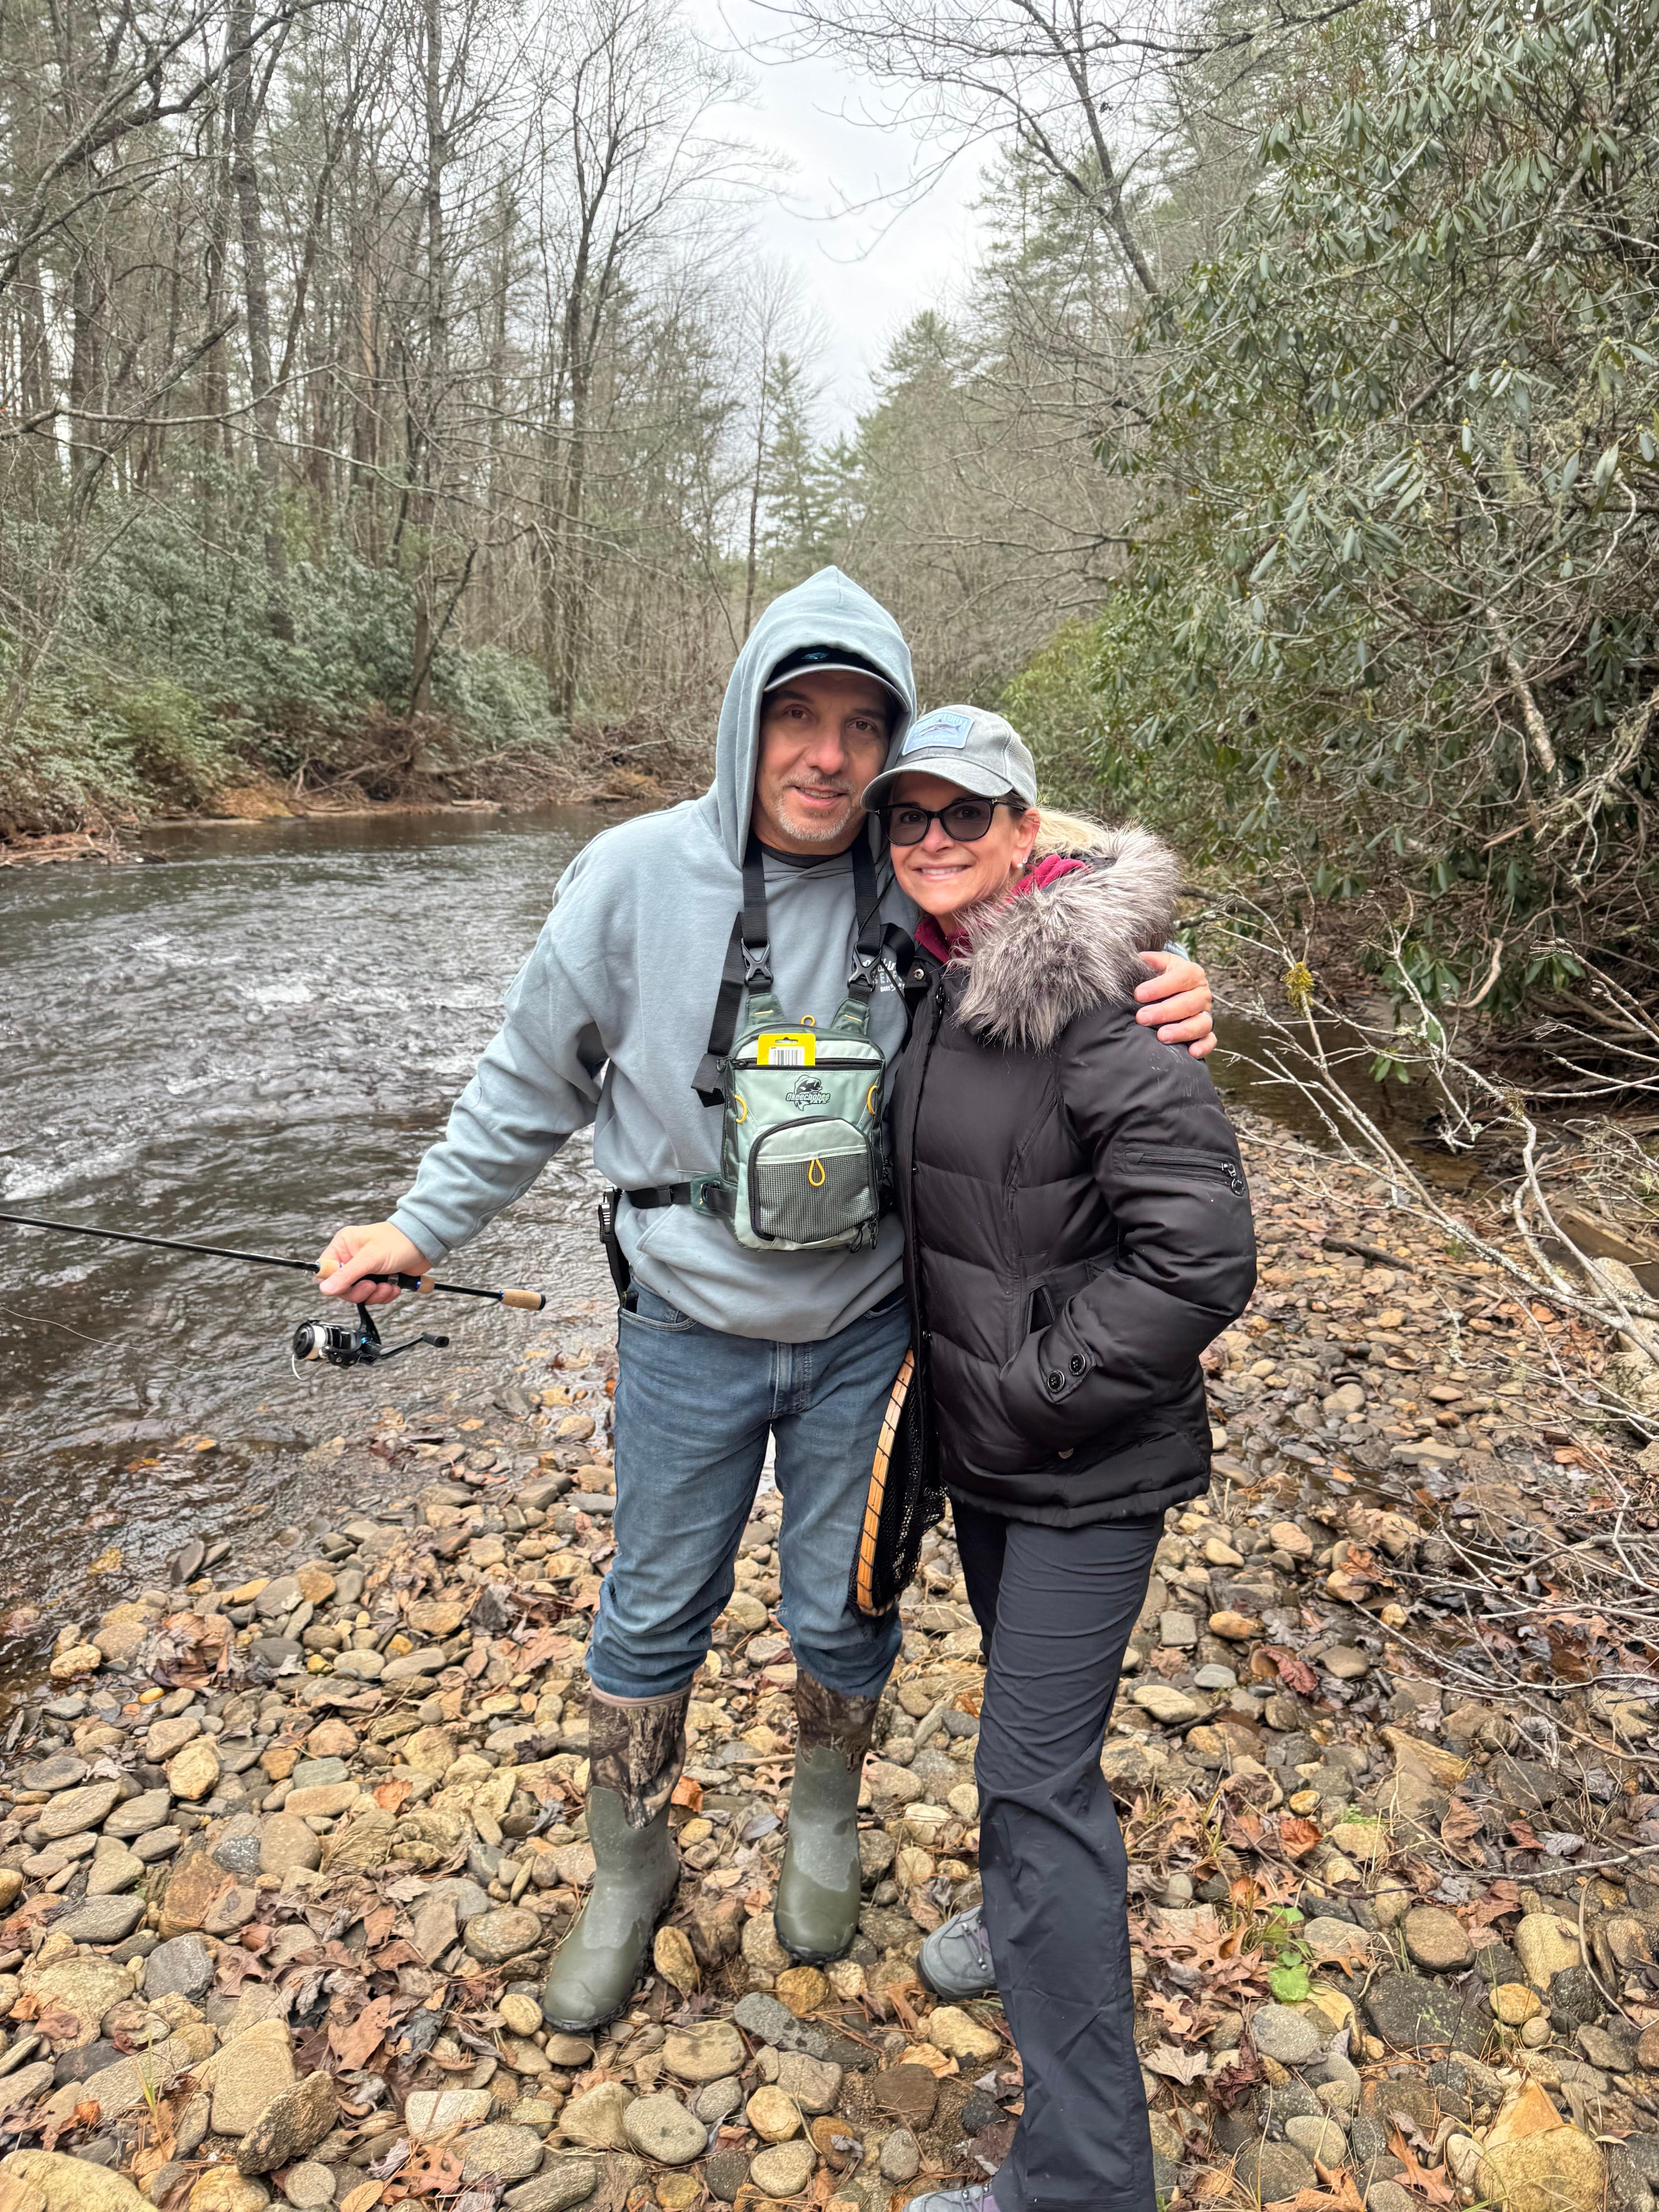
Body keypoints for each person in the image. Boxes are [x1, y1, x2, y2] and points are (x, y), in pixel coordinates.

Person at [314, 569, 1219, 2035]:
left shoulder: (917, 875)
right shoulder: (626, 875)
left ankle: (821, 1821)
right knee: (653, 1607)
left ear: (894, 746)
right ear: (744, 724)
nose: (827, 756)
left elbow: (1064, 883)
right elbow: (527, 1078)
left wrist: (1168, 979)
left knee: (842, 1602)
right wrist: (418, 1226)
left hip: (872, 1337)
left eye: (863, 726)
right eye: (795, 717)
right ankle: (631, 1869)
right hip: (682, 1334)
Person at [864, 706, 1257, 2212]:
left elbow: (1203, 1258)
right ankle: (1013, 1914)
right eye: (914, 819)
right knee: (1036, 1760)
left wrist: (1030, 1388)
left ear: (1033, 833)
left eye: (969, 816)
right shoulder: (939, 970)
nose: (934, 840)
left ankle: (1086, 2180)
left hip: (1082, 1461)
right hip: (997, 1457)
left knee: (1033, 1785)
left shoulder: (1103, 1003)